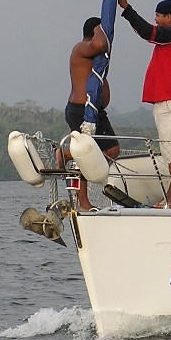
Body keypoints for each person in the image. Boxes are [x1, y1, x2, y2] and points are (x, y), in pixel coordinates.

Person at [118, 0, 171, 209]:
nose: (156, 19)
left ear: (170, 17)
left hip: (170, 100)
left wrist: (126, 9)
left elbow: (146, 31)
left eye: (159, 16)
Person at [65, 16, 121, 212]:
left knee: (113, 150)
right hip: (80, 108)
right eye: (100, 32)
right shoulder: (81, 48)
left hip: (95, 110)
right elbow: (99, 43)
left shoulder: (98, 57)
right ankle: (66, 155)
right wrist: (103, 29)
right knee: (83, 154)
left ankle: (72, 155)